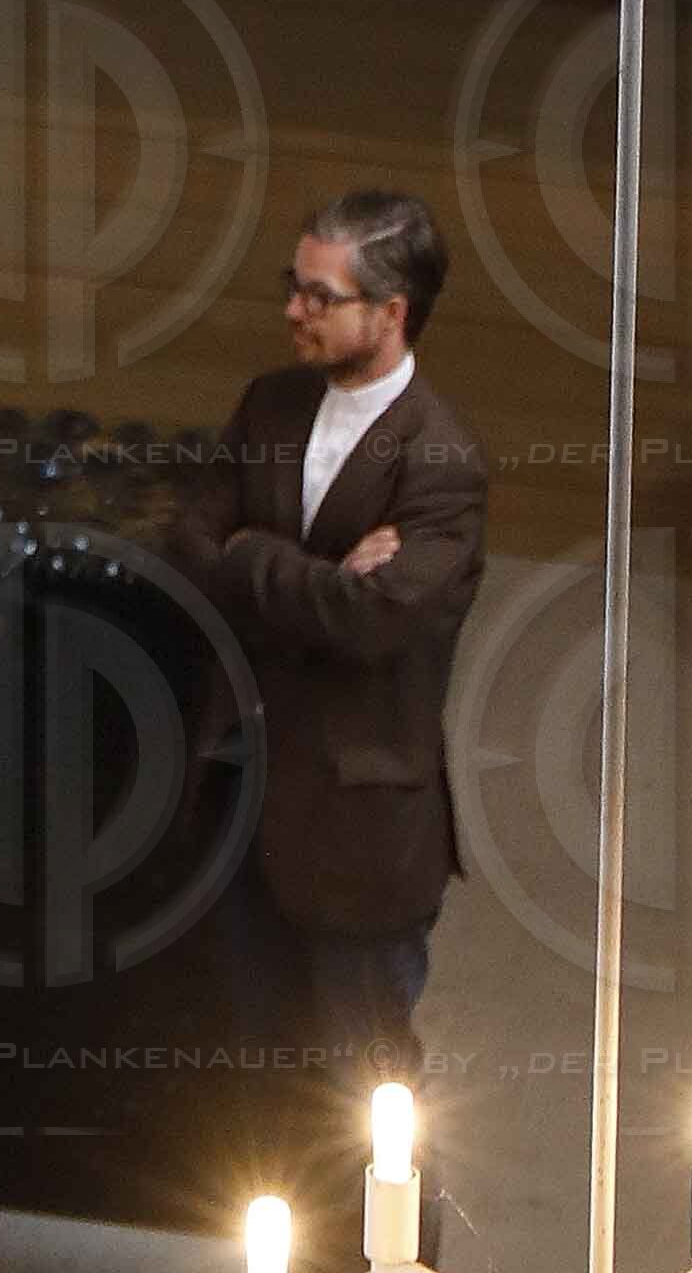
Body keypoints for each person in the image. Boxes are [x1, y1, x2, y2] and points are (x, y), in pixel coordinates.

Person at [162, 193, 489, 1202]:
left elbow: (373, 620)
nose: (293, 310)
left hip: (360, 837)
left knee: (367, 1097)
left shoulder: (441, 462)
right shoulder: (269, 404)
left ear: (390, 312)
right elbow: (185, 547)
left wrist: (252, 558)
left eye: (319, 295)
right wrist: (312, 574)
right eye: (292, 286)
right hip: (245, 811)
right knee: (258, 1086)